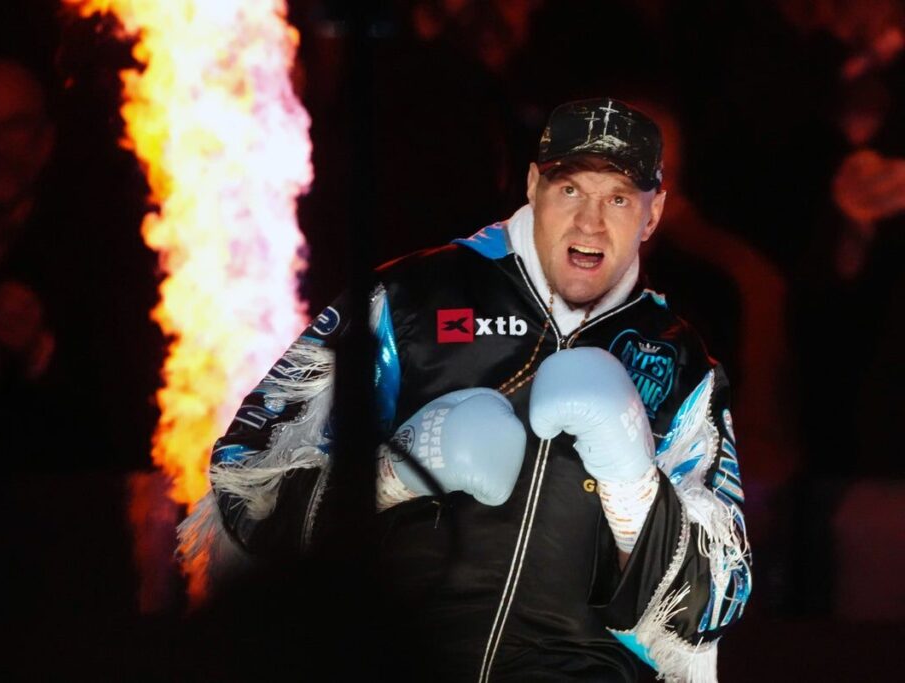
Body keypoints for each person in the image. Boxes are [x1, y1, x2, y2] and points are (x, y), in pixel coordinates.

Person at [181, 98, 751, 682]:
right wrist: (396, 473)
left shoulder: (682, 366)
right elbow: (243, 482)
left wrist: (635, 494)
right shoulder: (408, 298)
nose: (590, 222)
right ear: (533, 186)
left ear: (653, 216)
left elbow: (721, 601)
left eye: (619, 199)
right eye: (571, 190)